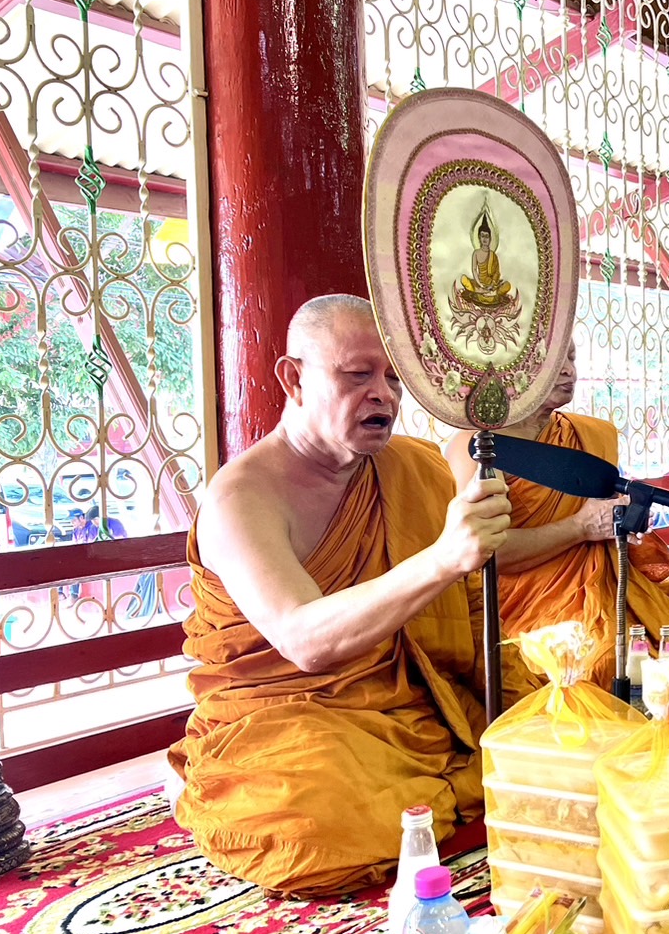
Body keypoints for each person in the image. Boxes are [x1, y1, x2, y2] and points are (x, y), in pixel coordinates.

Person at [168, 294, 535, 897]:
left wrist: (509, 693)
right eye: (358, 374)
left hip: (418, 702)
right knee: (314, 821)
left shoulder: (416, 467)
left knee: (562, 721)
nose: (382, 395)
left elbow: (466, 614)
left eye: (393, 379)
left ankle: (452, 774)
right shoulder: (241, 498)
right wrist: (443, 558)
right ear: (293, 379)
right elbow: (304, 640)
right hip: (295, 716)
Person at [444, 342, 669, 686]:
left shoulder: (588, 434)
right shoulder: (478, 447)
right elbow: (486, 553)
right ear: (508, 368)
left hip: (606, 587)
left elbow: (602, 511)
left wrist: (622, 521)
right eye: (553, 359)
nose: (568, 369)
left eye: (571, 357)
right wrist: (580, 527)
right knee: (608, 662)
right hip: (532, 604)